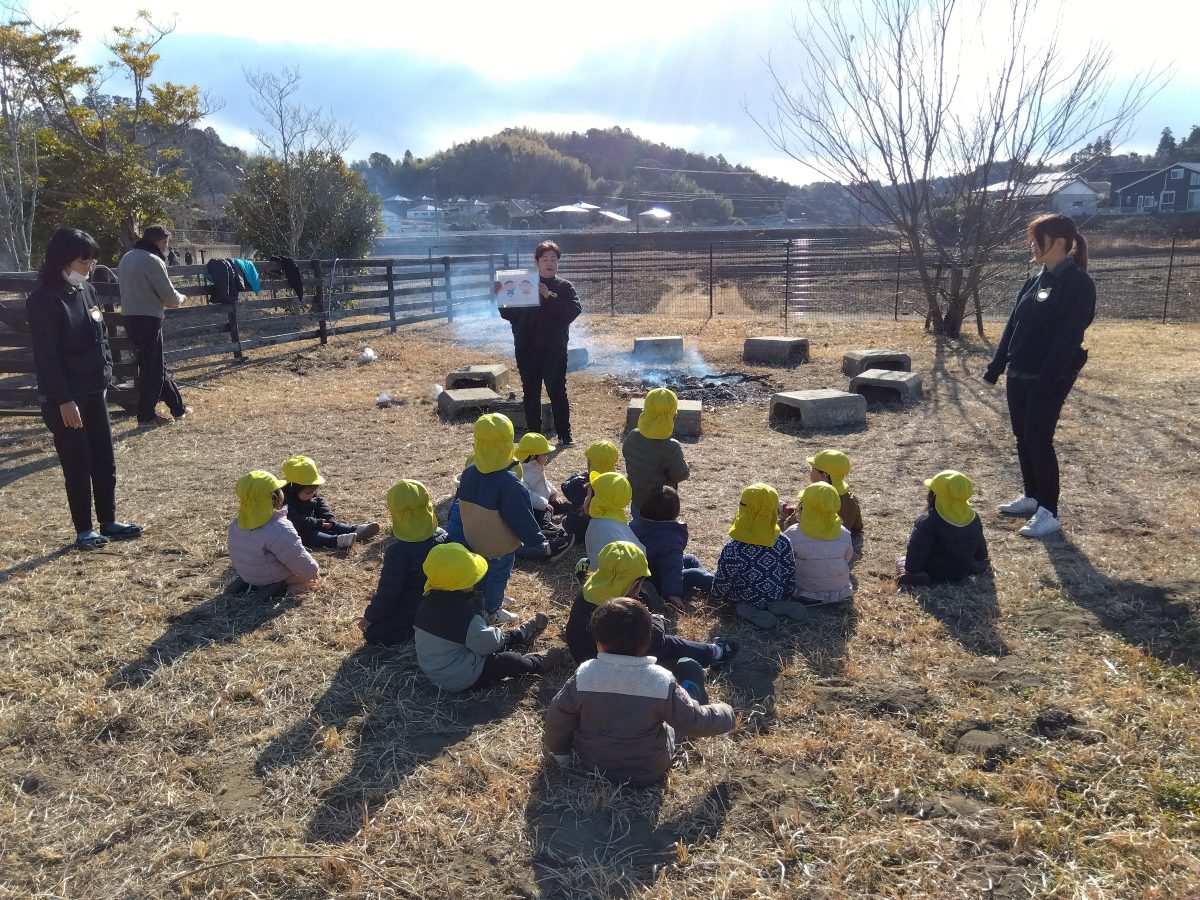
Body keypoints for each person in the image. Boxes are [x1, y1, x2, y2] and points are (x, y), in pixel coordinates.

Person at [25, 227, 143, 551]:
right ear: (63, 259)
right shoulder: (42, 299)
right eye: (83, 260)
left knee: (104, 457)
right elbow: (46, 356)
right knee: (78, 462)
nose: (88, 267)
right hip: (65, 398)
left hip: (95, 391)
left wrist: (105, 376)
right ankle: (84, 530)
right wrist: (64, 399)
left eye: (92, 261)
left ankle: (109, 520)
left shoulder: (87, 290)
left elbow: (100, 335)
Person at [984, 213, 1096, 539]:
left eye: (1038, 239)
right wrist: (997, 365)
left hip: (1050, 376)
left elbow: (1068, 337)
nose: (1032, 246)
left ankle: (1049, 511)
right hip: (1019, 372)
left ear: (1058, 242)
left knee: (1038, 438)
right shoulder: (1035, 280)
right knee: (1023, 436)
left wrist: (1048, 380)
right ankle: (1032, 496)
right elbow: (1013, 325)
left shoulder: (1078, 283)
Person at [544, 597, 736, 786]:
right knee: (689, 670)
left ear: (598, 642)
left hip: (593, 764)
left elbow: (558, 715)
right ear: (647, 641)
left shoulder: (585, 674)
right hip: (649, 769)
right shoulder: (661, 680)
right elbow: (694, 721)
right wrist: (727, 713)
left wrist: (561, 754)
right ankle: (693, 691)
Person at [563, 541, 735, 669]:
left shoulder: (587, 589)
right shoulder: (622, 611)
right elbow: (656, 639)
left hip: (582, 656)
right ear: (634, 584)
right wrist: (657, 620)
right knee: (670, 643)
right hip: (612, 664)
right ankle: (714, 653)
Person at [449, 413, 548, 625]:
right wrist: (537, 540)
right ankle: (493, 609)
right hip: (498, 545)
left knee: (482, 571)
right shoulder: (510, 484)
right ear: (508, 445)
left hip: (473, 538)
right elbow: (521, 518)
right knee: (498, 574)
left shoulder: (468, 474)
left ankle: (487, 596)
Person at [413, 542, 550, 692]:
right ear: (464, 584)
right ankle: (536, 662)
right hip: (458, 677)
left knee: (489, 638)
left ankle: (521, 635)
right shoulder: (463, 615)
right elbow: (488, 644)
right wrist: (498, 635)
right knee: (507, 660)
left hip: (434, 668)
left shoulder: (427, 601)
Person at [496, 240, 582, 447]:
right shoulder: (523, 284)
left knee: (557, 391)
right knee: (531, 392)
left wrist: (549, 296)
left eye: (554, 259)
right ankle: (533, 434)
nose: (549, 263)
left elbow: (572, 312)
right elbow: (509, 314)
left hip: (554, 349)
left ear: (558, 262)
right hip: (526, 347)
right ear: (536, 262)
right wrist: (501, 296)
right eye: (545, 259)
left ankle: (565, 434)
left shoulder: (564, 287)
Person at [357, 480, 449, 645]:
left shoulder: (398, 552)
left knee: (372, 634)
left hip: (414, 611)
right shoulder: (443, 536)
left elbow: (388, 593)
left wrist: (370, 617)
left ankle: (418, 630)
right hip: (443, 605)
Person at [116, 224, 190, 427]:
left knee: (154, 364)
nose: (167, 248)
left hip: (130, 317)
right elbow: (169, 297)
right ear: (160, 242)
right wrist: (182, 298)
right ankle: (146, 415)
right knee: (153, 369)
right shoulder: (153, 260)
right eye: (167, 243)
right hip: (148, 317)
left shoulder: (127, 257)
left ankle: (178, 408)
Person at [710, 484, 809, 629]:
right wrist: (787, 592)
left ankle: (746, 610)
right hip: (776, 594)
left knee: (736, 603)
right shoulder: (782, 540)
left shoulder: (734, 548)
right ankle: (777, 605)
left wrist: (714, 598)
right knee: (772, 596)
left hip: (742, 597)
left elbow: (723, 579)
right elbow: (789, 570)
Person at [227, 470, 320, 595]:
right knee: (313, 579)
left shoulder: (236, 523)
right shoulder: (278, 527)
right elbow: (305, 567)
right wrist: (315, 571)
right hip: (271, 577)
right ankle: (281, 589)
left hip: (247, 573)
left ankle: (251, 583)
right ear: (276, 497)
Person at [897, 471, 991, 588]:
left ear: (934, 495)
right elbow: (981, 550)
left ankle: (918, 578)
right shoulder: (973, 517)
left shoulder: (928, 521)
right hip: (962, 570)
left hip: (934, 572)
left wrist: (911, 570)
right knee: (972, 563)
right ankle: (974, 567)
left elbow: (916, 552)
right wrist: (982, 559)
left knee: (901, 560)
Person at [630, 485, 713, 610]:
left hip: (647, 571)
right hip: (657, 581)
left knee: (690, 558)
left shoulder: (636, 524)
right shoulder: (670, 538)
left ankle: (710, 580)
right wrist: (672, 593)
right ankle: (723, 585)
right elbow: (671, 567)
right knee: (695, 574)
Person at [280, 454, 381, 550]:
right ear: (293, 489)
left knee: (334, 525)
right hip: (299, 531)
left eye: (314, 491)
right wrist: (317, 522)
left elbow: (321, 504)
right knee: (311, 536)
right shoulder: (286, 501)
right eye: (308, 492)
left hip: (316, 523)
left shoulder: (310, 493)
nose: (312, 494)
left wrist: (328, 517)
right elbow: (296, 521)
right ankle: (337, 540)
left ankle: (355, 530)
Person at [783, 482, 854, 606]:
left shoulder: (793, 533)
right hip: (839, 593)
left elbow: (785, 560)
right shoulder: (844, 533)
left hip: (805, 593)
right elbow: (848, 558)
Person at [622, 387, 689, 516]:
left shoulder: (632, 435)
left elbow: (626, 454)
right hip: (661, 505)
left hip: (636, 499)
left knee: (637, 530)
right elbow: (681, 475)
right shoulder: (671, 447)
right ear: (673, 416)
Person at [806, 449, 864, 559]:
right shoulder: (851, 499)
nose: (810, 471)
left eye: (813, 468)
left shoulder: (813, 500)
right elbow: (858, 527)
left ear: (824, 474)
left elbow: (794, 524)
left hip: (814, 549)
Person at [560, 440, 619, 545]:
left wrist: (575, 476)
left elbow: (565, 488)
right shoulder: (616, 483)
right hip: (602, 535)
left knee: (566, 518)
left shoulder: (582, 483)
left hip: (578, 533)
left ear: (590, 463)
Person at [582, 471, 645, 565]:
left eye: (588, 494)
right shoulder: (616, 520)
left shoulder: (598, 529)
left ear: (598, 500)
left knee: (582, 565)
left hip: (620, 578)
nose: (585, 499)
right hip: (636, 573)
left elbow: (599, 568)